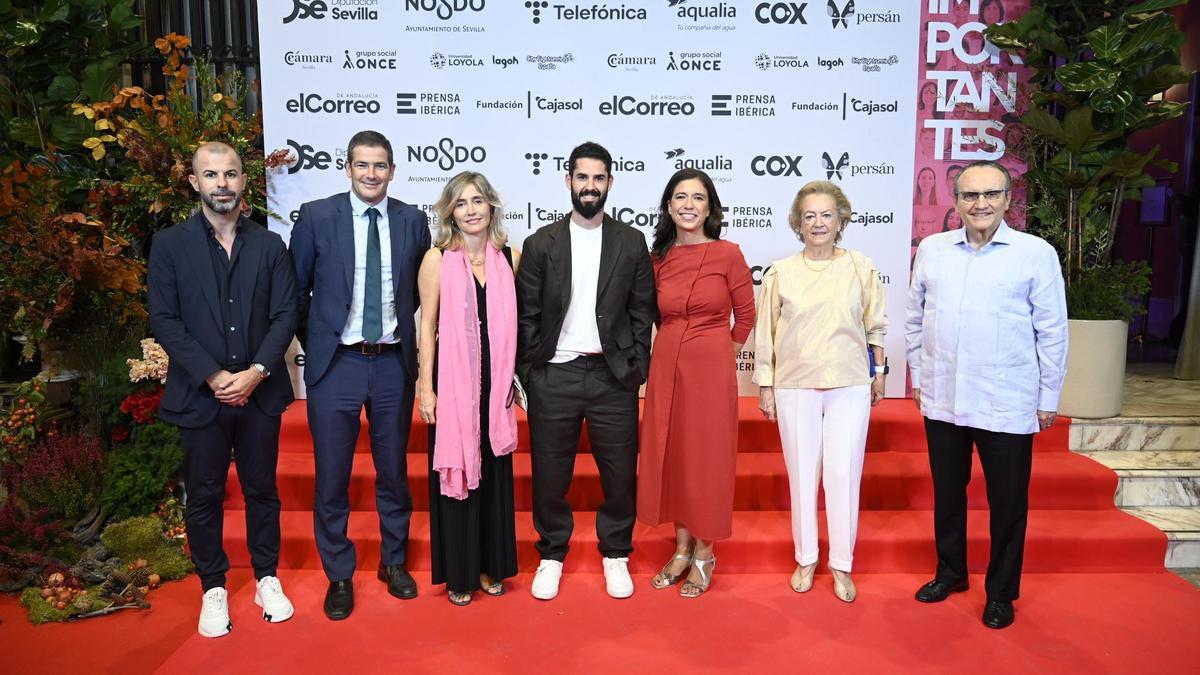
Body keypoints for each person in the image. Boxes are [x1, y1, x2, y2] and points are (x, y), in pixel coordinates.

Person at [906, 160, 1067, 629]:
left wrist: (1049, 395)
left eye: (991, 194)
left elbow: (1052, 330)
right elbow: (915, 320)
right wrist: (920, 377)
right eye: (971, 195)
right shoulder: (933, 250)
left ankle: (1000, 592)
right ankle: (951, 573)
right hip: (944, 397)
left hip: (1008, 398)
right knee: (948, 494)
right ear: (955, 201)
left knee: (1008, 502)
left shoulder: (1035, 253)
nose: (980, 204)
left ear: (1008, 199)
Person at [148, 142, 298, 637]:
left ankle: (266, 577)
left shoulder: (270, 246)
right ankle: (213, 585)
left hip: (260, 391)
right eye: (211, 175)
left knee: (262, 490)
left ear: (242, 180)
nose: (222, 184)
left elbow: (285, 315)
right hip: (200, 393)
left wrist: (256, 371)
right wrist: (213, 376)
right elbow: (165, 320)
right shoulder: (170, 245)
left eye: (230, 174)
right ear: (194, 182)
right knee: (206, 495)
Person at [289, 130, 432, 620]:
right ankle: (339, 575)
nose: (371, 174)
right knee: (332, 476)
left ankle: (394, 562)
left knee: (394, 473)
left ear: (393, 170)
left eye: (380, 165)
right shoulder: (316, 217)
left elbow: (424, 293)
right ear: (347, 168)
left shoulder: (413, 221)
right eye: (362, 165)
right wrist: (319, 350)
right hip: (338, 366)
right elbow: (296, 293)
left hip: (393, 364)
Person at [515, 141, 656, 601]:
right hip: (555, 376)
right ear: (568, 180)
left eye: (599, 178)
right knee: (550, 474)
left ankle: (616, 552)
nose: (590, 186)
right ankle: (552, 554)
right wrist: (533, 372)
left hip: (612, 377)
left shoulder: (631, 242)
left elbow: (642, 311)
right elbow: (526, 315)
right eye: (582, 177)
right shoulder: (541, 244)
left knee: (618, 474)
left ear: (610, 183)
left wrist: (634, 367)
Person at [754, 180, 888, 604]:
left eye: (826, 215)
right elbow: (766, 335)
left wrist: (879, 370)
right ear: (798, 222)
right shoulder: (781, 272)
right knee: (802, 474)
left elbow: (876, 323)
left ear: (841, 219)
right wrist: (765, 385)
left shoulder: (860, 267)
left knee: (843, 474)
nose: (818, 223)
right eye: (809, 215)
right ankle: (806, 557)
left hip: (849, 382)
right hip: (795, 383)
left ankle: (842, 564)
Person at [637, 169, 755, 598]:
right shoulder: (657, 259)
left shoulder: (728, 254)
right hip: (667, 360)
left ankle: (705, 552)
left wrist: (720, 351)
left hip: (709, 366)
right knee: (674, 453)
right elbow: (651, 313)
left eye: (698, 197)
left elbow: (746, 315)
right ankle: (681, 548)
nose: (689, 204)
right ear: (668, 206)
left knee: (706, 456)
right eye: (680, 197)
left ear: (710, 207)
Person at [416, 172, 520, 606]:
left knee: (494, 478)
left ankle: (490, 567)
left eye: (478, 201)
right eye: (462, 203)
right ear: (450, 212)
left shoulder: (508, 256)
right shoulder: (437, 259)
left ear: (491, 206)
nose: (472, 210)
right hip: (454, 388)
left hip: (495, 393)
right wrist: (425, 387)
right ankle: (460, 573)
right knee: (459, 476)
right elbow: (428, 326)